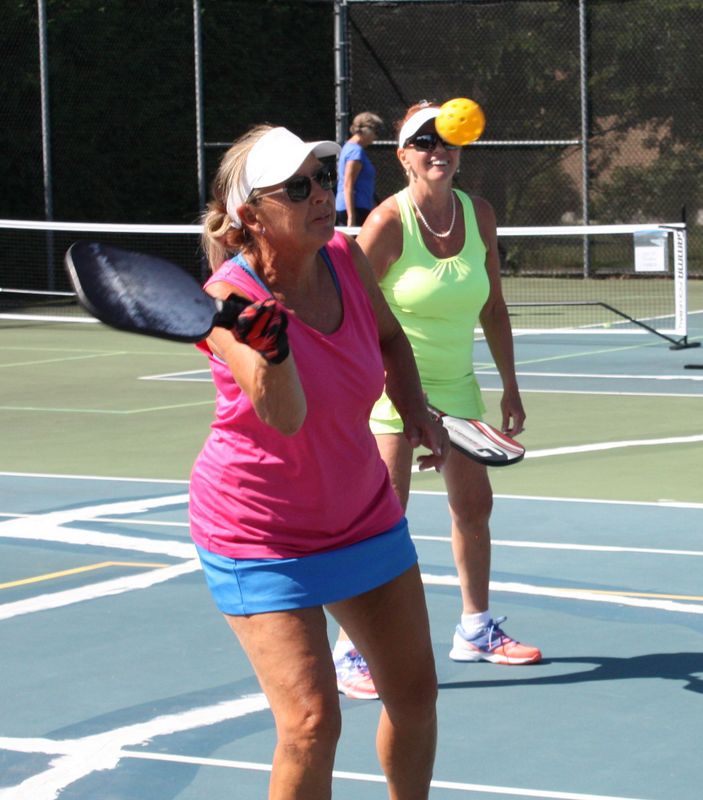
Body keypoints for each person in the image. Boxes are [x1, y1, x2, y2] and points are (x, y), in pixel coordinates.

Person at [191, 123, 449, 800]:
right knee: (310, 724)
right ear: (251, 217)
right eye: (297, 186)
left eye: (322, 178)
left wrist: (413, 406)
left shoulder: (343, 255)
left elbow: (389, 338)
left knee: (415, 696)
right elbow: (285, 416)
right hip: (260, 533)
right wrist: (272, 349)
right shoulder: (228, 301)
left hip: (361, 512)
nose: (319, 194)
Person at [334, 101, 541, 702]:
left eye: (446, 141)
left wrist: (510, 384)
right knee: (382, 520)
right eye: (423, 143)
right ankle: (350, 650)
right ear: (403, 157)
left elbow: (493, 305)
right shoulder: (386, 224)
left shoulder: (480, 214)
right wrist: (402, 397)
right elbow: (351, 316)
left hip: (458, 387)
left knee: (474, 509)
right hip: (391, 391)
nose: (437, 151)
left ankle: (475, 630)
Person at [335, 111, 384, 228]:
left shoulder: (350, 148)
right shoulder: (355, 151)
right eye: (375, 132)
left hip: (358, 208)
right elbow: (348, 185)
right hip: (355, 210)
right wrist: (351, 217)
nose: (375, 137)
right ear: (367, 130)